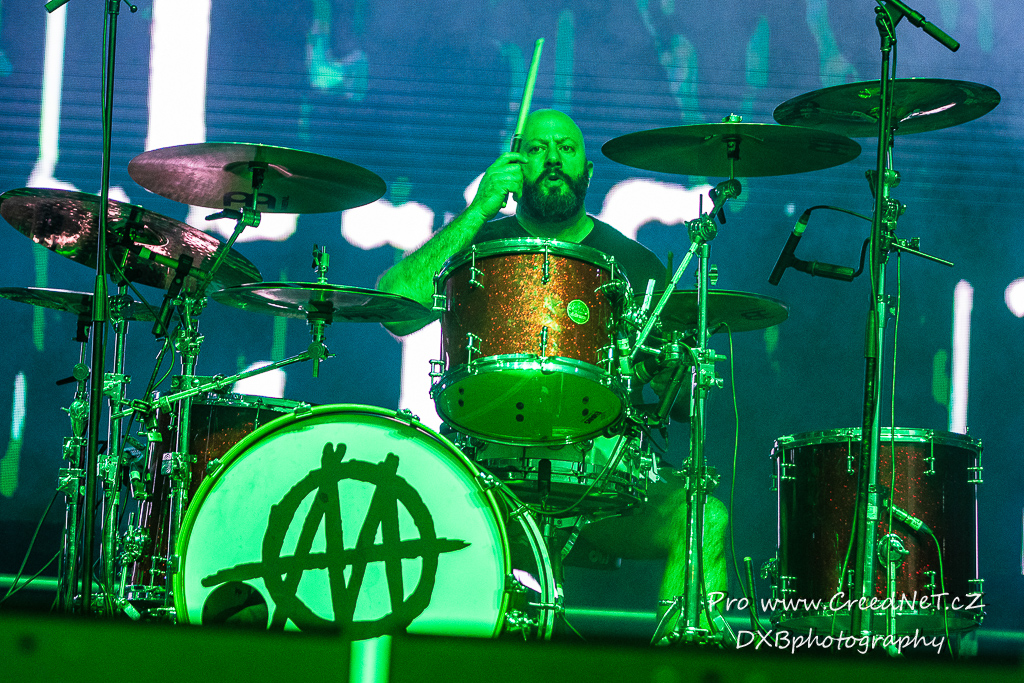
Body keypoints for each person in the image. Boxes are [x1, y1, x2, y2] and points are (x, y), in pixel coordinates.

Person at [377, 109, 727, 640]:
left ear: (588, 170)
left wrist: (667, 376)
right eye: (537, 149)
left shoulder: (636, 265)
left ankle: (680, 666)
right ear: (515, 165)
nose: (553, 160)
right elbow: (395, 309)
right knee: (387, 505)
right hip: (489, 478)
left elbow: (679, 403)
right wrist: (477, 212)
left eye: (566, 148)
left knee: (705, 518)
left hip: (599, 483)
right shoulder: (478, 244)